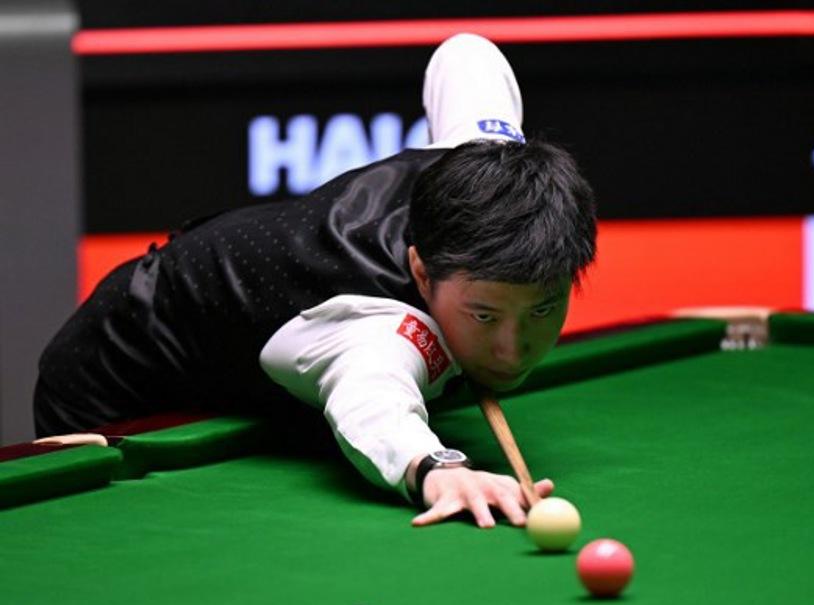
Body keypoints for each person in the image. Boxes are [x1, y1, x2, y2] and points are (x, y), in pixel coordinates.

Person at [34, 33, 598, 529]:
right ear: (421, 272)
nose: (512, 347)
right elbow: (372, 400)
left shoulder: (485, 164)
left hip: (239, 329)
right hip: (121, 374)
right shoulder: (372, 324)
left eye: (543, 311)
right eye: (484, 315)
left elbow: (466, 54)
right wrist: (436, 469)